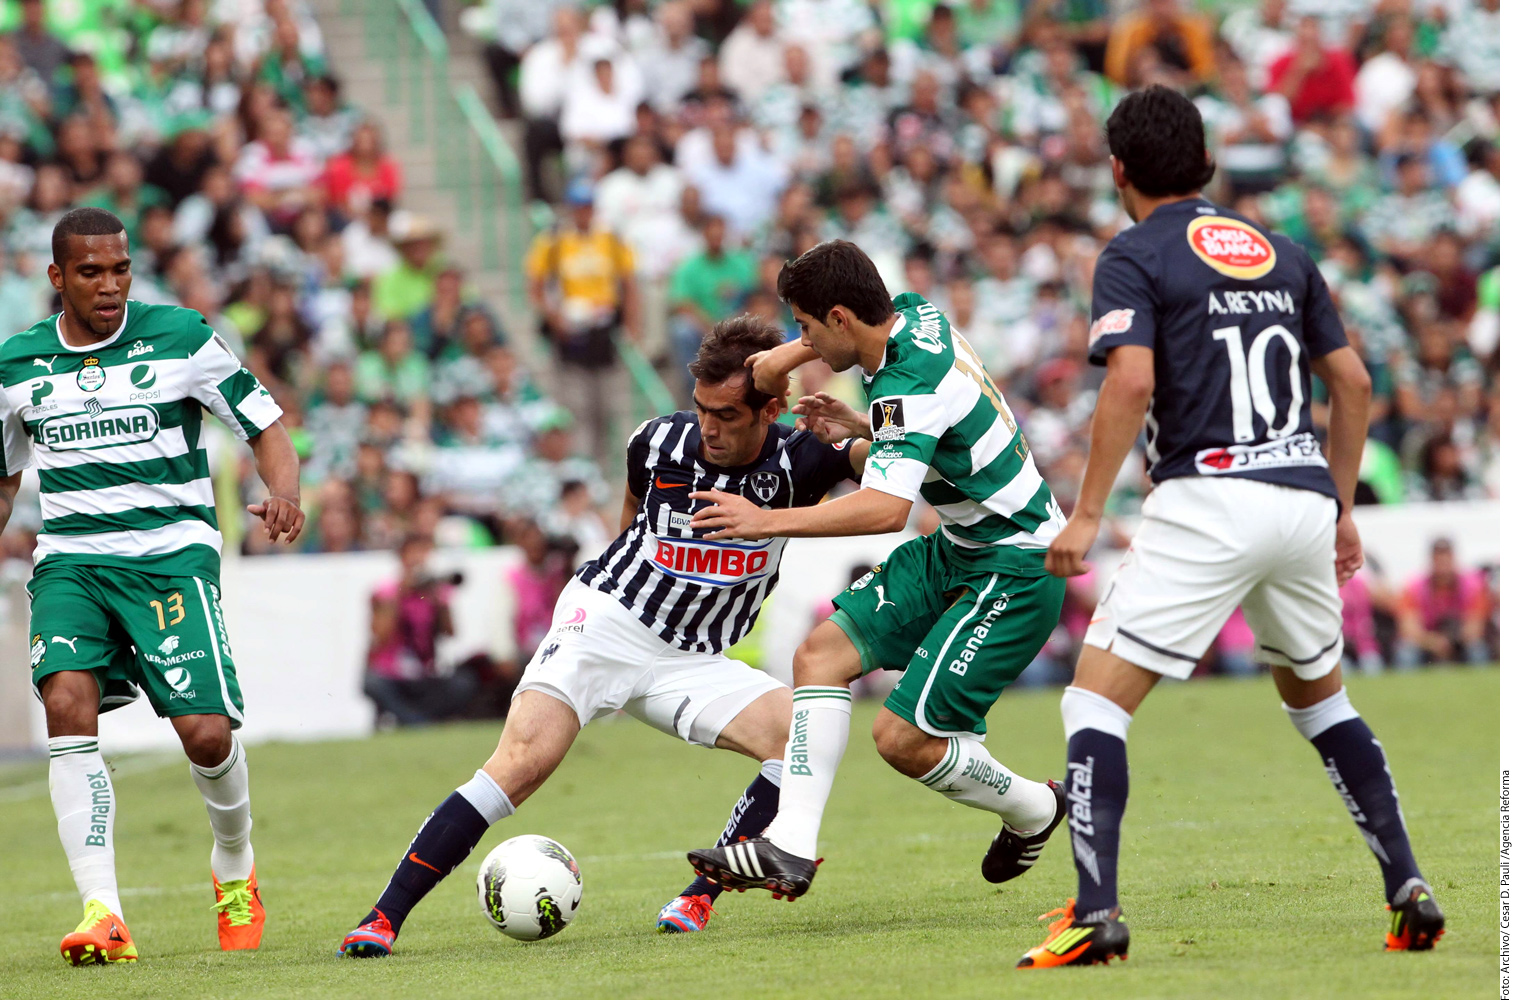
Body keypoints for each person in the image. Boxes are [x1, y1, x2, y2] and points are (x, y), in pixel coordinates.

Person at [1014, 86, 1442, 969]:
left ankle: (1094, 913)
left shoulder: (1133, 253)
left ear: (1118, 170)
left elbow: (1129, 383)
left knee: (1093, 701)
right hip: (1298, 499)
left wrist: (1088, 511)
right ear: (1204, 162)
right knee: (1322, 703)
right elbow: (1353, 385)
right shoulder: (1280, 253)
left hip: (1207, 497)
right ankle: (1406, 885)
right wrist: (1343, 506)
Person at [338, 315, 869, 956]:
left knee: (800, 737)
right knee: (522, 765)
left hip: (692, 659)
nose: (709, 427)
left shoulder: (804, 458)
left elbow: (916, 464)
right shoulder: (655, 442)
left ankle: (697, 896)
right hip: (607, 623)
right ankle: (381, 919)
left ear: (771, 409)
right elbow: (628, 523)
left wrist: (865, 426)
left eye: (728, 415)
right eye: (702, 408)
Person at [685, 240, 1069, 901]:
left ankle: (1034, 807)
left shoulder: (906, 381)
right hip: (962, 546)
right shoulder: (914, 314)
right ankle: (789, 847)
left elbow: (887, 508)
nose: (801, 341)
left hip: (1015, 564)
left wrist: (762, 519)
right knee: (821, 655)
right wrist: (813, 378)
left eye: (804, 327)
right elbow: (934, 425)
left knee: (901, 740)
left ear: (838, 318)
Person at [0, 207, 305, 964]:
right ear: (57, 278)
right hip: (71, 561)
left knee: (205, 735)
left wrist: (285, 492)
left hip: (171, 558)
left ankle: (234, 865)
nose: (110, 286)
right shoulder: (16, 365)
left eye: (120, 269)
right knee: (66, 701)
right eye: (91, 272)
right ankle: (103, 910)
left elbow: (265, 427)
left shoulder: (182, 338)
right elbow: (5, 479)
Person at [363, 533, 472, 726]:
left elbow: (451, 633)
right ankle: (417, 722)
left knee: (463, 683)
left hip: (425, 672)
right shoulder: (386, 591)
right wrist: (401, 593)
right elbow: (381, 636)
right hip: (393, 673)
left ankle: (416, 720)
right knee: (373, 683)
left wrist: (438, 600)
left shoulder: (434, 592)